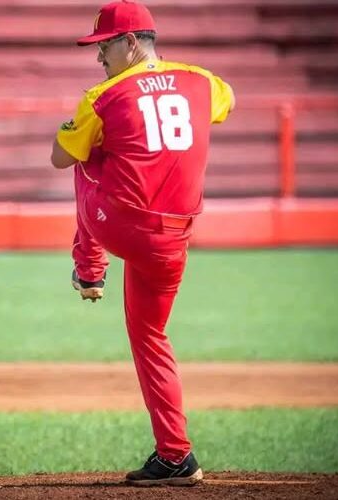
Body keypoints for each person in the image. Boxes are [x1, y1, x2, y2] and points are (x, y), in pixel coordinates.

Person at [50, 0, 235, 487]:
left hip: (121, 226)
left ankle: (89, 269)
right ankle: (175, 456)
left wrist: (106, 135)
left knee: (87, 160)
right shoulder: (203, 79)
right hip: (174, 237)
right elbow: (225, 102)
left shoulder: (101, 97)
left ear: (131, 43)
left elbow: (57, 157)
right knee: (151, 336)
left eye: (104, 47)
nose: (99, 59)